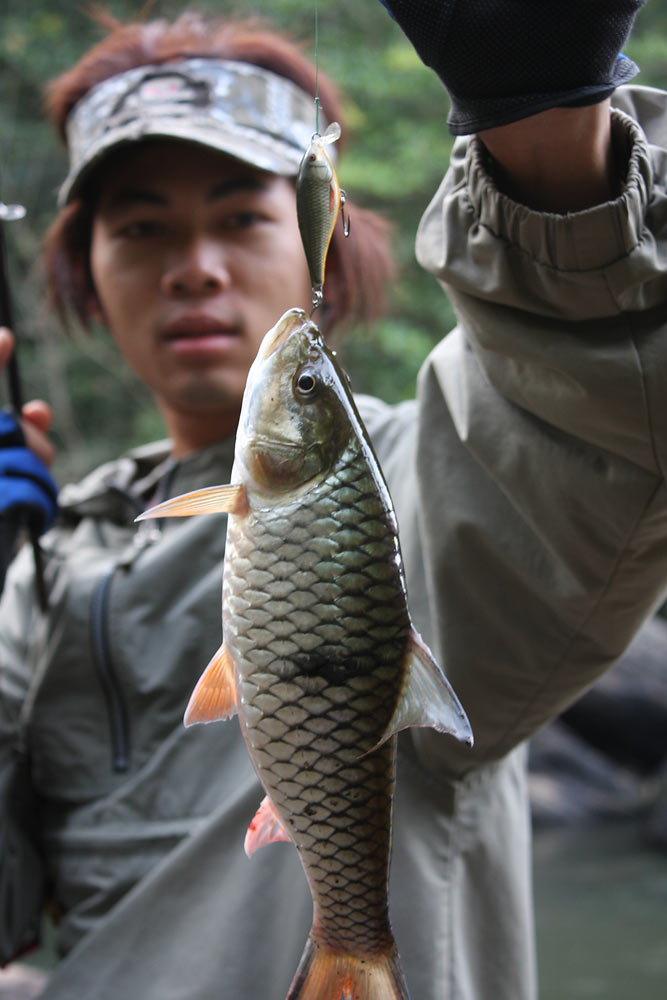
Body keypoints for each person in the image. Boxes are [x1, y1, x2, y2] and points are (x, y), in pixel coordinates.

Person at [0, 1, 664, 998]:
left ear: (322, 239)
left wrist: (543, 130)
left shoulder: (427, 479)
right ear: (82, 271)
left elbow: (591, 401)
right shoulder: (42, 566)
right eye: (142, 227)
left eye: (240, 215)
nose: (196, 268)